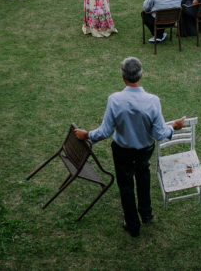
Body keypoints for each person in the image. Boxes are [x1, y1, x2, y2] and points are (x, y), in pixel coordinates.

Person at [74, 57, 186, 237]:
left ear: (122, 76)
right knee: (143, 175)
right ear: (141, 74)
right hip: (144, 151)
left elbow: (104, 131)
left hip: (122, 150)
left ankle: (133, 225)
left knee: (126, 185)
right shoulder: (153, 101)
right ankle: (146, 213)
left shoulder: (114, 99)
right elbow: (159, 133)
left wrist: (87, 135)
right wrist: (172, 127)